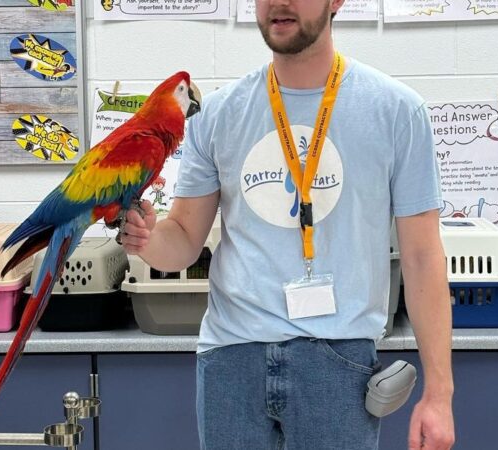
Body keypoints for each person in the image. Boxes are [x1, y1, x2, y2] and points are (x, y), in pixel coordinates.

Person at [122, 0, 454, 449]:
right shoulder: (217, 115)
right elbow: (182, 241)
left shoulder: (396, 111)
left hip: (339, 362)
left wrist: (439, 394)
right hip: (231, 360)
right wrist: (146, 236)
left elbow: (421, 257)